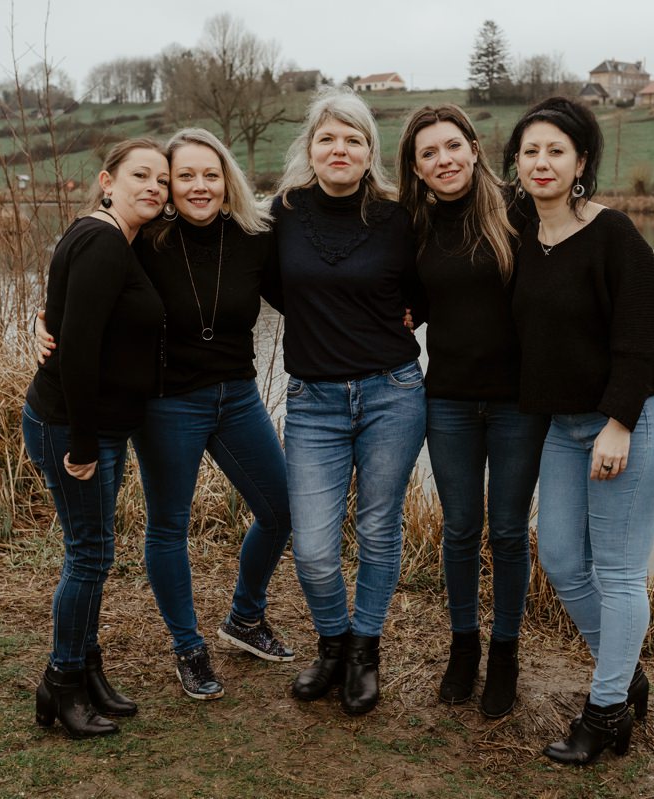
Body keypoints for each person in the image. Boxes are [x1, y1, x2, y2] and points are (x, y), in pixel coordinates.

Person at [36, 128, 293, 702]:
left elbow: (303, 296)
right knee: (169, 526)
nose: (199, 186)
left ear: (227, 180)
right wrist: (43, 318)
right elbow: (79, 280)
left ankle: (245, 617)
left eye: (211, 175)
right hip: (168, 404)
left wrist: (392, 311)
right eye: (185, 176)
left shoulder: (254, 237)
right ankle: (188, 647)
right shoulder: (143, 240)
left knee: (281, 509)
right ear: (169, 187)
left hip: (238, 397)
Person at [504, 97, 654, 764]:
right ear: (516, 163)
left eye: (556, 150)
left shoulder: (614, 235)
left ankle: (606, 713)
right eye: (530, 151)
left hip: (635, 420)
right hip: (565, 426)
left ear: (581, 162)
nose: (542, 162)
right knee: (559, 558)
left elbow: (644, 339)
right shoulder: (522, 234)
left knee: (618, 572)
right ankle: (624, 671)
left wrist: (619, 423)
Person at [274, 87, 426, 715]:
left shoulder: (400, 217)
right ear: (310, 149)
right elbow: (262, 282)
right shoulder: (281, 214)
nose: (340, 149)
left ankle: (365, 650)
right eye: (328, 138)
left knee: (378, 528)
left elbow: (431, 286)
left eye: (353, 139)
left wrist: (409, 316)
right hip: (313, 402)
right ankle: (332, 643)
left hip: (393, 394)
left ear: (370, 152)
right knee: (312, 548)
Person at [395, 105, 548, 718]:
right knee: (460, 529)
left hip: (517, 403)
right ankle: (464, 647)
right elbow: (414, 300)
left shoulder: (518, 211)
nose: (444, 160)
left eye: (453, 146)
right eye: (429, 153)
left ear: (475, 147)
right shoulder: (416, 226)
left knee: (508, 531)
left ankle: (505, 653)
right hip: (449, 400)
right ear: (416, 168)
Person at [22, 137, 169, 738]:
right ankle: (61, 683)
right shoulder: (103, 242)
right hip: (72, 427)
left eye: (162, 179)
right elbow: (78, 351)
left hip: (92, 425)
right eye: (141, 175)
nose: (155, 187)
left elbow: (68, 318)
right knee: (88, 555)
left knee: (93, 552)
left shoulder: (113, 239)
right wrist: (81, 444)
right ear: (108, 181)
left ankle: (87, 670)